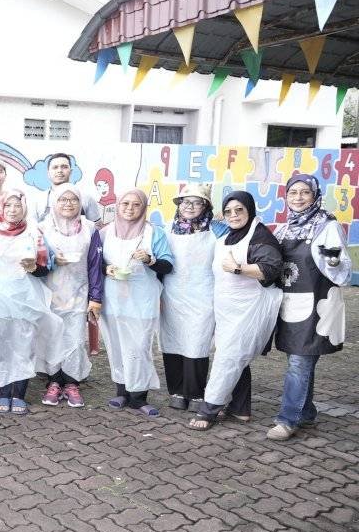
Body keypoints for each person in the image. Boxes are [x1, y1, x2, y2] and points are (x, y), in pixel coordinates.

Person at [189, 192, 283, 431]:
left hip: (248, 311)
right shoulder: (230, 234)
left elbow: (271, 268)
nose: (233, 215)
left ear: (250, 211)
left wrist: (238, 268)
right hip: (227, 311)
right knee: (234, 355)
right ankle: (240, 409)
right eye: (228, 211)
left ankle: (208, 410)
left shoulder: (261, 236)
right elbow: (209, 220)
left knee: (228, 358)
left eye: (239, 210)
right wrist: (215, 209)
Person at [268, 175, 352, 440]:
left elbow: (344, 271)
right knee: (301, 360)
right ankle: (306, 412)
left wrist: (335, 262)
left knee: (299, 362)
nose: (299, 197)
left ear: (315, 196)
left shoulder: (327, 227)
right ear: (286, 197)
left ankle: (287, 419)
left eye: (305, 192)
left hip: (316, 307)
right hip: (290, 306)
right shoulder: (284, 229)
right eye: (293, 192)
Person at [0, 190, 63, 414]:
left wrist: (34, 267)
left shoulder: (34, 232)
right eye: (8, 206)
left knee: (24, 346)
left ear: (24, 208)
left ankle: (20, 394)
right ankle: (4, 392)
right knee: (2, 345)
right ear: (2, 208)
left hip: (26, 299)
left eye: (17, 205)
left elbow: (46, 266)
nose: (13, 210)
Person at [99, 188, 174, 416]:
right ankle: (121, 391)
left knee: (139, 348)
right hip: (112, 300)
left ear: (143, 208)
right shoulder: (104, 233)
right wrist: (106, 268)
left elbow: (168, 265)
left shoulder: (154, 233)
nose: (130, 209)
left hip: (141, 300)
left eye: (136, 205)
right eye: (125, 204)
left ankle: (139, 397)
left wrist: (150, 260)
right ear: (118, 207)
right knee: (116, 346)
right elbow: (93, 264)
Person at [159, 184, 227, 411]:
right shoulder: (167, 228)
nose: (190, 206)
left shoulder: (217, 230)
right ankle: (176, 390)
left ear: (205, 206)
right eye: (185, 202)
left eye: (196, 202)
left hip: (203, 293)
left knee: (197, 343)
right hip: (173, 293)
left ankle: (196, 392)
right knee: (172, 340)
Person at [39, 183, 105, 408]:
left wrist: (96, 297)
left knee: (75, 339)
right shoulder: (42, 227)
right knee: (51, 337)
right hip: (49, 293)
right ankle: (54, 382)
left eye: (73, 200)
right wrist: (50, 261)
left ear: (80, 203)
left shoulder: (89, 228)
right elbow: (35, 261)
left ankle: (71, 383)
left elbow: (96, 264)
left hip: (79, 291)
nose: (68, 204)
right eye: (62, 200)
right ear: (54, 203)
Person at [32, 153, 102, 224]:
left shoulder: (86, 198)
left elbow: (97, 228)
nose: (59, 170)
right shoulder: (38, 200)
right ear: (48, 173)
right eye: (55, 167)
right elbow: (32, 229)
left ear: (71, 171)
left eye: (64, 167)